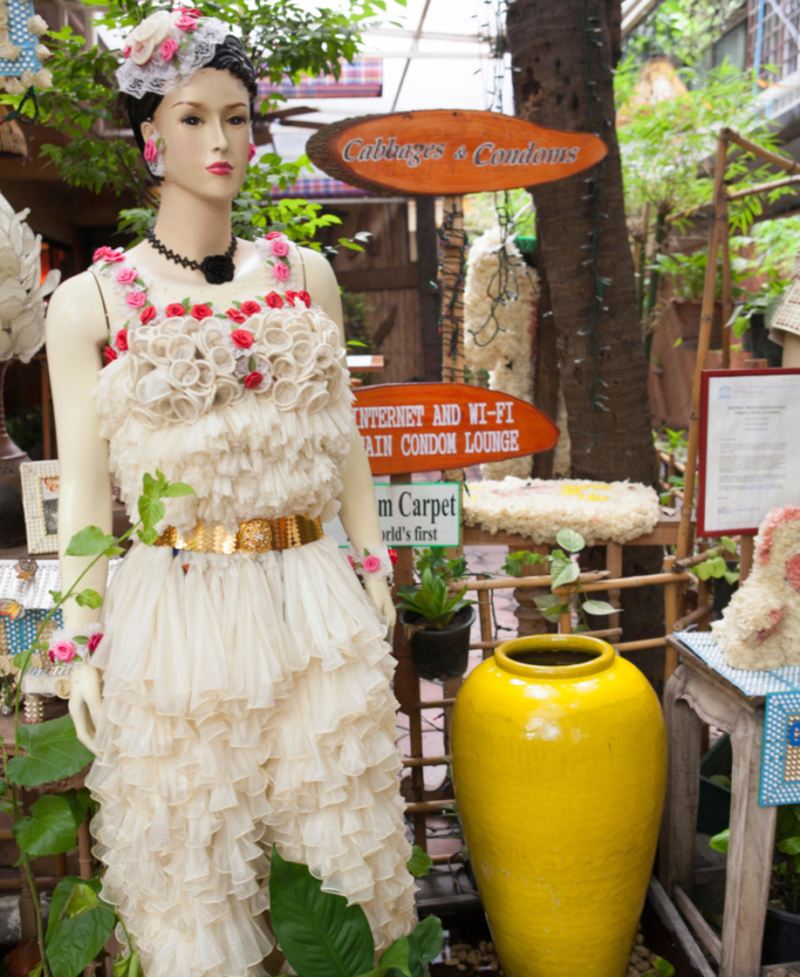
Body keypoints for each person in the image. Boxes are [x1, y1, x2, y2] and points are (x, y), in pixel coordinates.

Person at [45, 10, 415, 976]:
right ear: (148, 138)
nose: (221, 141)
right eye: (193, 117)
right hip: (177, 614)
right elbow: (86, 502)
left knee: (335, 859)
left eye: (239, 118)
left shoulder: (307, 275)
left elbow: (347, 444)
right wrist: (76, 648)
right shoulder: (93, 302)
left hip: (313, 599)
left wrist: (371, 564)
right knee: (198, 879)